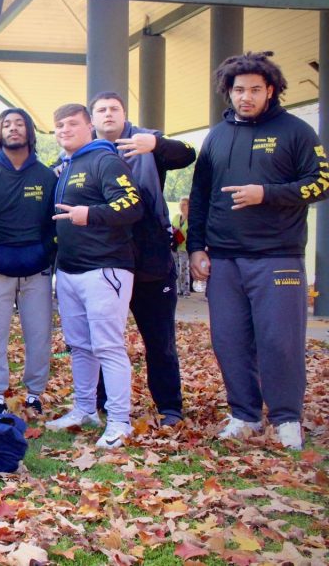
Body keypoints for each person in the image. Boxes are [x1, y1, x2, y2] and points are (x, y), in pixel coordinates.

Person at [188, 51, 328, 450]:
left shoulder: (296, 131)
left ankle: (287, 419)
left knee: (279, 340)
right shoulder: (216, 136)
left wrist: (266, 193)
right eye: (238, 90)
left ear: (270, 90)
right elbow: (200, 196)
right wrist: (196, 247)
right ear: (228, 92)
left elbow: (321, 183)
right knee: (228, 339)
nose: (245, 97)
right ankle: (244, 414)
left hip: (277, 255)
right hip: (224, 258)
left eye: (254, 89)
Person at [91, 91, 195, 426]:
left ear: (125, 114)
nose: (108, 114)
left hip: (151, 258)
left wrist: (155, 145)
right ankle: (103, 403)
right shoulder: (83, 151)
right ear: (92, 119)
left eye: (114, 109)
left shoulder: (147, 140)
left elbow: (188, 154)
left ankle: (169, 407)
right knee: (106, 339)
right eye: (101, 110)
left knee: (159, 339)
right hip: (105, 257)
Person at [44, 103, 142, 449]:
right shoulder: (67, 166)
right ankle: (85, 409)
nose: (65, 130)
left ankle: (119, 421)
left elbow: (133, 205)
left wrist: (92, 214)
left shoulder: (105, 159)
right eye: (59, 126)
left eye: (73, 124)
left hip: (105, 269)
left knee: (108, 346)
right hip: (69, 271)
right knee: (80, 347)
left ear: (90, 127)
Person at [0, 108, 57, 416]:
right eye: (6, 124)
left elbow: (55, 223)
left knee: (39, 333)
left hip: (37, 268)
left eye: (19, 123)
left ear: (29, 131)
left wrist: (44, 253)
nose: (13, 128)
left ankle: (35, 392)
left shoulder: (47, 176)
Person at [173, 197, 191, 297]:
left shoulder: (191, 219)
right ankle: (178, 289)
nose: (181, 206)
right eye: (180, 204)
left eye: (184, 204)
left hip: (185, 248)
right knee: (175, 269)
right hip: (175, 248)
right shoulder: (176, 217)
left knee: (183, 270)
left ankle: (186, 290)